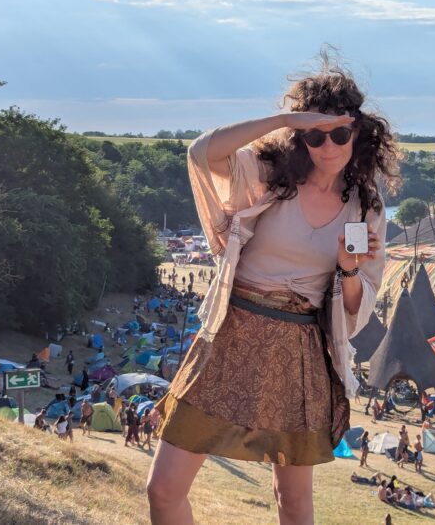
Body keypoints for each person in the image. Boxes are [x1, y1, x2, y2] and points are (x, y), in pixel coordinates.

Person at [146, 58, 397, 525]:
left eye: (339, 133)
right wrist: (283, 119)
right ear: (300, 136)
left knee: (294, 502)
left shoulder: (366, 207)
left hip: (299, 348)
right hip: (232, 334)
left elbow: (356, 308)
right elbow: (202, 153)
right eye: (315, 135)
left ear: (358, 133)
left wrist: (348, 270)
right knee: (162, 490)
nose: (328, 146)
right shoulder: (268, 174)